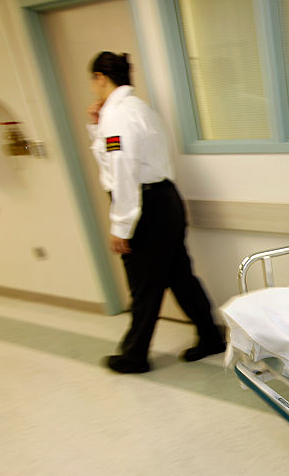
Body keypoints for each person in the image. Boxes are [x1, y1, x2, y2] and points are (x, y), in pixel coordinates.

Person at [86, 51, 225, 374]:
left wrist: (121, 226)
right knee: (179, 277)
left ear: (100, 78)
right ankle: (210, 336)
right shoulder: (135, 109)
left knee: (144, 285)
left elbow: (122, 171)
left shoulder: (118, 116)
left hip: (145, 206)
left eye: (93, 81)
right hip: (162, 202)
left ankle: (134, 355)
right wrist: (96, 126)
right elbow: (117, 155)